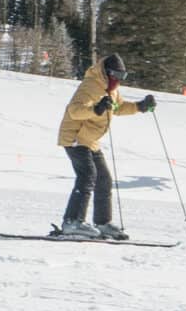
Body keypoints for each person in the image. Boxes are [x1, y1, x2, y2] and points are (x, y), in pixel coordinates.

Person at [54, 53, 155, 238]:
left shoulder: (110, 89)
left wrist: (140, 106)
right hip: (75, 137)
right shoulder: (90, 86)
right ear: (107, 73)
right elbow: (74, 111)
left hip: (90, 140)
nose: (119, 80)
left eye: (123, 76)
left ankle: (102, 223)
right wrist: (96, 108)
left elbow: (118, 108)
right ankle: (72, 222)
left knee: (104, 180)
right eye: (117, 75)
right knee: (87, 176)